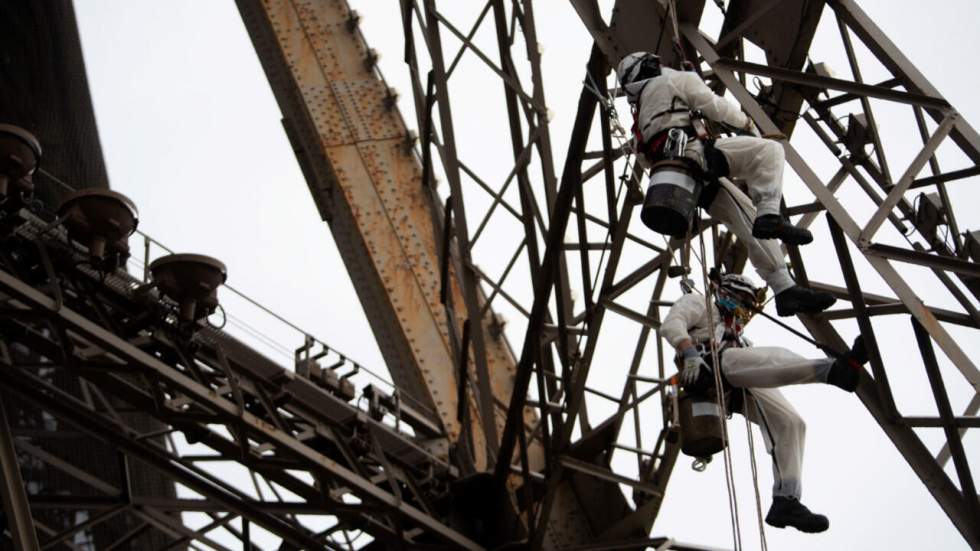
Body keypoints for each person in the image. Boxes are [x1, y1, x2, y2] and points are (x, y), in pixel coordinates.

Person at [617, 51, 836, 317]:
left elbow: (644, 159)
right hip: (696, 157)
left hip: (682, 181)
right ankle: (770, 215)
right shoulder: (672, 81)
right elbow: (713, 105)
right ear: (650, 67)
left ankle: (784, 288)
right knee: (769, 152)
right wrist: (746, 123)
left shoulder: (640, 117)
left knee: (746, 217)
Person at [660, 273, 867, 533]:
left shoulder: (737, 334)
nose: (745, 310)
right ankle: (834, 370)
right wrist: (688, 351)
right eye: (743, 301)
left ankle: (786, 500)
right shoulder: (700, 303)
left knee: (791, 423)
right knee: (771, 357)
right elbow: (671, 324)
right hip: (708, 369)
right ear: (727, 292)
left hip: (733, 381)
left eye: (749, 305)